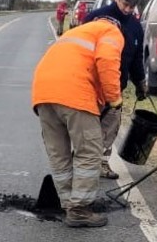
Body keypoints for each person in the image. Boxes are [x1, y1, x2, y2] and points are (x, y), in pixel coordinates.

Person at [31, 16, 125, 227]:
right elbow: (107, 61)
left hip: (43, 93)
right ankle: (80, 209)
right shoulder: (111, 31)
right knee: (89, 150)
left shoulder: (76, 33)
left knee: (59, 153)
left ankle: (67, 203)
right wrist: (114, 98)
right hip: (74, 92)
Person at [82, 0, 147, 179]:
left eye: (132, 6)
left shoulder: (135, 27)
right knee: (87, 125)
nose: (127, 9)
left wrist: (140, 83)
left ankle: (101, 162)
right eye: (124, 4)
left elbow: (136, 59)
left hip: (116, 85)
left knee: (110, 125)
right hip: (91, 84)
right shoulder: (95, 18)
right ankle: (82, 160)